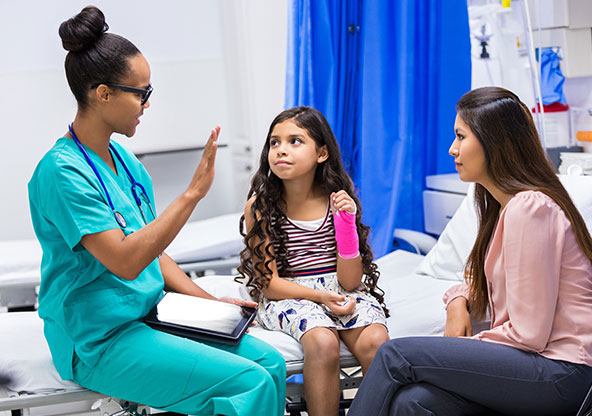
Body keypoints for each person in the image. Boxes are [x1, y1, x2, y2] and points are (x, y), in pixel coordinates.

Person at [27, 6, 285, 416]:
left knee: (271, 364)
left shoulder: (126, 163)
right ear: (103, 93)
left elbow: (154, 254)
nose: (147, 104)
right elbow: (127, 262)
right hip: (99, 338)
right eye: (141, 93)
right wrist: (192, 195)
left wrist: (214, 304)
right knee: (247, 383)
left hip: (150, 315)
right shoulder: (61, 173)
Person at [348, 86, 592, 416]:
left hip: (562, 371)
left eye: (461, 137)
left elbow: (529, 334)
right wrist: (458, 300)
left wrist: (459, 350)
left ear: (494, 142)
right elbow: (481, 277)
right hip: (541, 366)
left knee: (396, 356)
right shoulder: (505, 209)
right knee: (413, 401)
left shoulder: (530, 208)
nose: (452, 149)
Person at [237, 106, 390, 416]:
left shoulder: (338, 198)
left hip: (338, 288)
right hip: (289, 292)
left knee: (377, 341)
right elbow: (271, 284)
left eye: (295, 141)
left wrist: (345, 222)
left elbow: (349, 282)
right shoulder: (261, 206)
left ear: (321, 153)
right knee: (322, 340)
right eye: (275, 142)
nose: (280, 150)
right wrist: (321, 297)